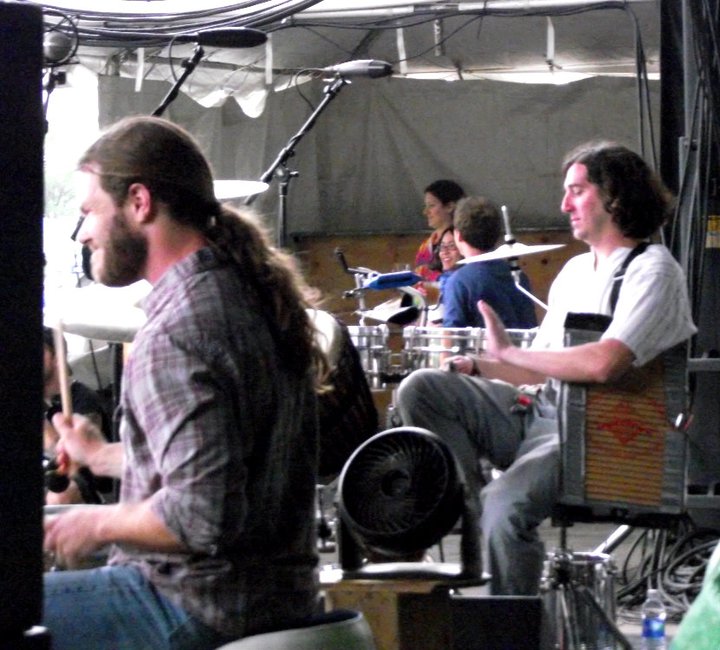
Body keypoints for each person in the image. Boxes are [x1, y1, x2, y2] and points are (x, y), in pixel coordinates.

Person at [43, 116, 327, 649]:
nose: (83, 234)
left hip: (198, 604)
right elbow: (223, 464)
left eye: (89, 212)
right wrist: (102, 457)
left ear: (139, 202)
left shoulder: (177, 332)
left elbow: (200, 517)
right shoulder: (248, 295)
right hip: (278, 597)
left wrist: (92, 523)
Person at [396, 141, 696, 596]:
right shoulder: (574, 271)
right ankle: (473, 509)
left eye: (576, 191)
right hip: (543, 411)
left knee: (504, 506)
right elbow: (539, 372)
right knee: (421, 388)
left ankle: (511, 619)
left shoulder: (653, 271)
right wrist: (479, 366)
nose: (564, 205)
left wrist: (511, 354)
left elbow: (605, 363)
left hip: (596, 431)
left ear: (615, 197)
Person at [442, 196, 537, 329]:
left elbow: (451, 337)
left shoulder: (458, 282)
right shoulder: (519, 276)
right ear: (496, 235)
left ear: (458, 235)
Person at [42, 325, 111, 505]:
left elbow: (74, 454)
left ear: (57, 357)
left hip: (75, 483)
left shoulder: (84, 399)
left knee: (60, 496)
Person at [414, 179, 465, 282]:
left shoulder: (464, 242)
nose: (425, 212)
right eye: (426, 206)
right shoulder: (426, 246)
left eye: (431, 205)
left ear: (449, 207)